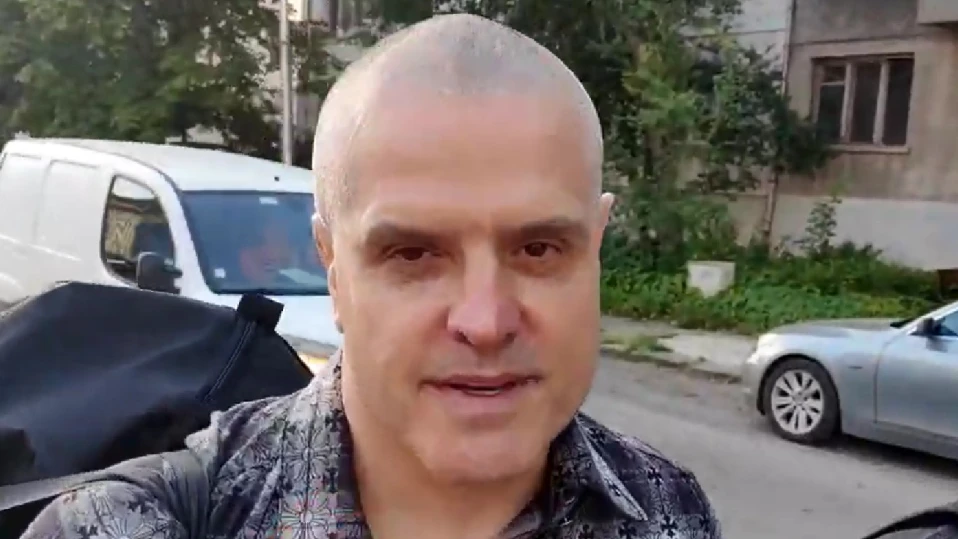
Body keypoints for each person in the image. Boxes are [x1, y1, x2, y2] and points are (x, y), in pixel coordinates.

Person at [20, 13, 721, 539]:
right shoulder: (134, 522)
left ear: (595, 245)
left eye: (539, 249)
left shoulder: (669, 509)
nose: (485, 320)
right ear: (332, 267)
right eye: (413, 255)